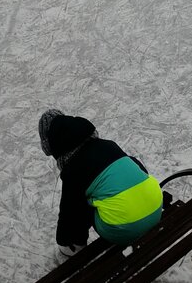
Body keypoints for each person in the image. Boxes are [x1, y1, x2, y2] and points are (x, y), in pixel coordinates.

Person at [37, 109, 162, 254]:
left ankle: (76, 246)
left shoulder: (73, 168)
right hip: (156, 210)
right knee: (123, 171)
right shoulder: (109, 145)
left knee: (81, 201)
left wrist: (64, 241)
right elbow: (135, 168)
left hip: (126, 230)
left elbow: (69, 212)